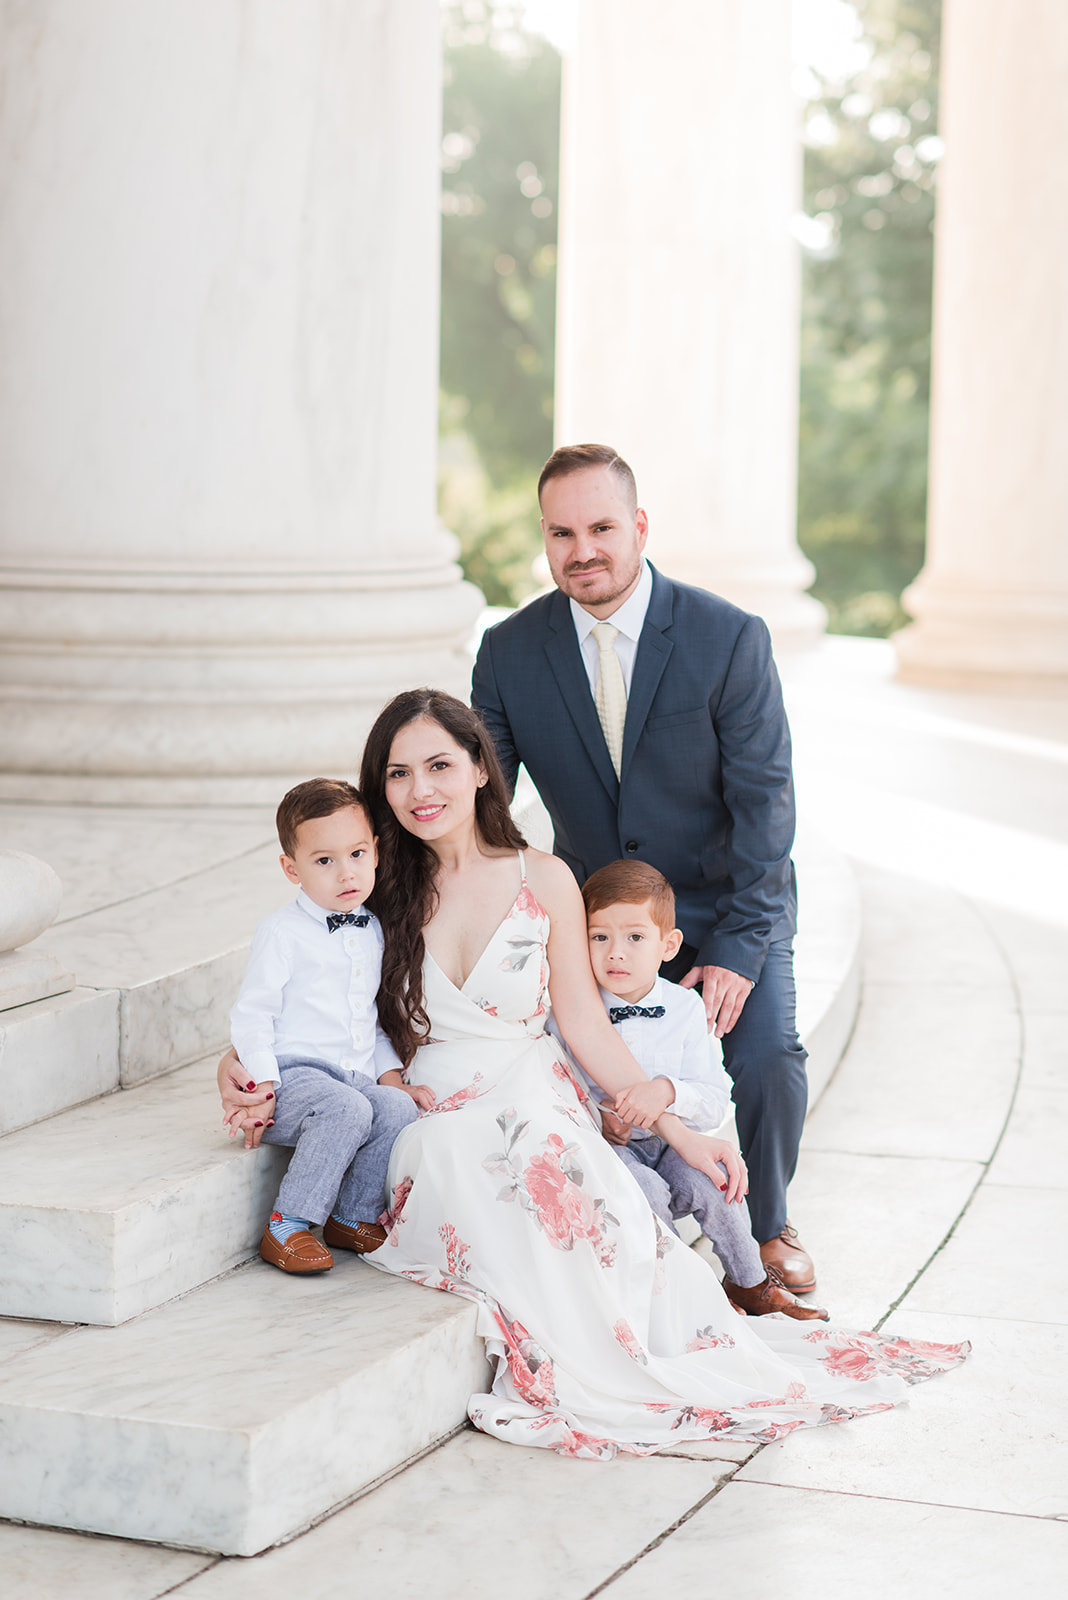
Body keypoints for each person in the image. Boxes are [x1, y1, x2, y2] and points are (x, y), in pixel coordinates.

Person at [231, 688, 967, 1458]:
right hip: (425, 1101)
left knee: (547, 1154)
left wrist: (679, 1129)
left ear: (482, 767)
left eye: (440, 765)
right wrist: (239, 1063)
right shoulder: (370, 885)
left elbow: (582, 1023)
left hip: (529, 1080)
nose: (422, 791)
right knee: (463, 1152)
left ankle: (628, 1341)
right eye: (398, 773)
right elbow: (301, 988)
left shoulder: (543, 878)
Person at [471, 443, 815, 1294]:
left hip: (726, 904)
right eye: (561, 533)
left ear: (640, 527)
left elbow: (767, 808)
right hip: (597, 923)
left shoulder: (728, 638)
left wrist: (738, 949)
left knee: (767, 1058)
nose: (582, 550)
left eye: (600, 527)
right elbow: (484, 806)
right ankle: (639, 1218)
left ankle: (767, 1225)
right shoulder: (509, 652)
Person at [552, 858, 827, 1321]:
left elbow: (715, 1095)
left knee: (715, 1181)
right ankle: (678, 1294)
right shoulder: (570, 1011)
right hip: (608, 1150)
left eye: (635, 937)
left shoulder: (684, 1009)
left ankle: (748, 1283)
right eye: (599, 937)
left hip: (672, 1144)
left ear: (668, 944)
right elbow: (552, 1081)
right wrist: (595, 1117)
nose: (615, 953)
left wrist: (668, 1092)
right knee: (643, 1192)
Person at [227, 777, 422, 1273]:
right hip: (294, 1079)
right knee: (346, 1109)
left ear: (375, 852)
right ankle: (287, 1224)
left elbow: (371, 1020)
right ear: (291, 869)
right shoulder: (282, 932)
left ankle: (350, 1215)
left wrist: (391, 1075)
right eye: (323, 861)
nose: (345, 873)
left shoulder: (372, 929)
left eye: (356, 854)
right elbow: (253, 1014)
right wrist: (264, 1082)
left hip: (351, 1079)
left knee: (394, 1107)